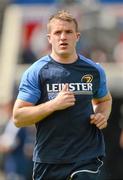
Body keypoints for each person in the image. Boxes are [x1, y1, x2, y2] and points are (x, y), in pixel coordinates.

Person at [12, 10, 112, 180]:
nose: (63, 37)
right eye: (58, 32)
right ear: (49, 38)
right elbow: (18, 117)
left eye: (68, 32)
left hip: (86, 159)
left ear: (77, 36)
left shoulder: (93, 70)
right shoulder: (37, 72)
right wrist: (54, 104)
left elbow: (104, 99)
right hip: (49, 160)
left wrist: (102, 114)